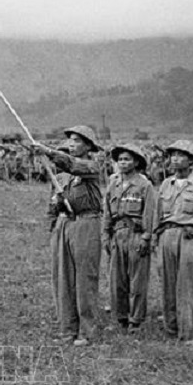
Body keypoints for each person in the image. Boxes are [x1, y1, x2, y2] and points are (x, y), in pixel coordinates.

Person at [37, 126, 104, 347]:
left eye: (77, 141)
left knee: (85, 279)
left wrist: (48, 152)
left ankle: (87, 332)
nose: (72, 144)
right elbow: (52, 204)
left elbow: (74, 165)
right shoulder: (61, 177)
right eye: (70, 141)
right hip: (64, 224)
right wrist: (51, 226)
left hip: (86, 223)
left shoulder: (92, 166)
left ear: (88, 146)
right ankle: (67, 330)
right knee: (63, 279)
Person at [153, 140, 193, 342]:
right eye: (173, 155)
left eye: (181, 155)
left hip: (189, 237)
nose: (175, 159)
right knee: (168, 284)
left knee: (186, 286)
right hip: (166, 235)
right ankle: (170, 328)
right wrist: (155, 238)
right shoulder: (166, 183)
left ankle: (186, 332)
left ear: (191, 160)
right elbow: (157, 213)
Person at [102, 144, 156, 333]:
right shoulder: (113, 184)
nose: (123, 163)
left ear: (136, 162)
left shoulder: (144, 185)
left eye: (127, 159)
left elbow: (150, 213)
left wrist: (146, 237)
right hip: (117, 235)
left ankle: (136, 320)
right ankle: (121, 317)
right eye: (120, 159)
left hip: (136, 235)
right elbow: (107, 212)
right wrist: (105, 235)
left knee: (137, 281)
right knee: (117, 280)